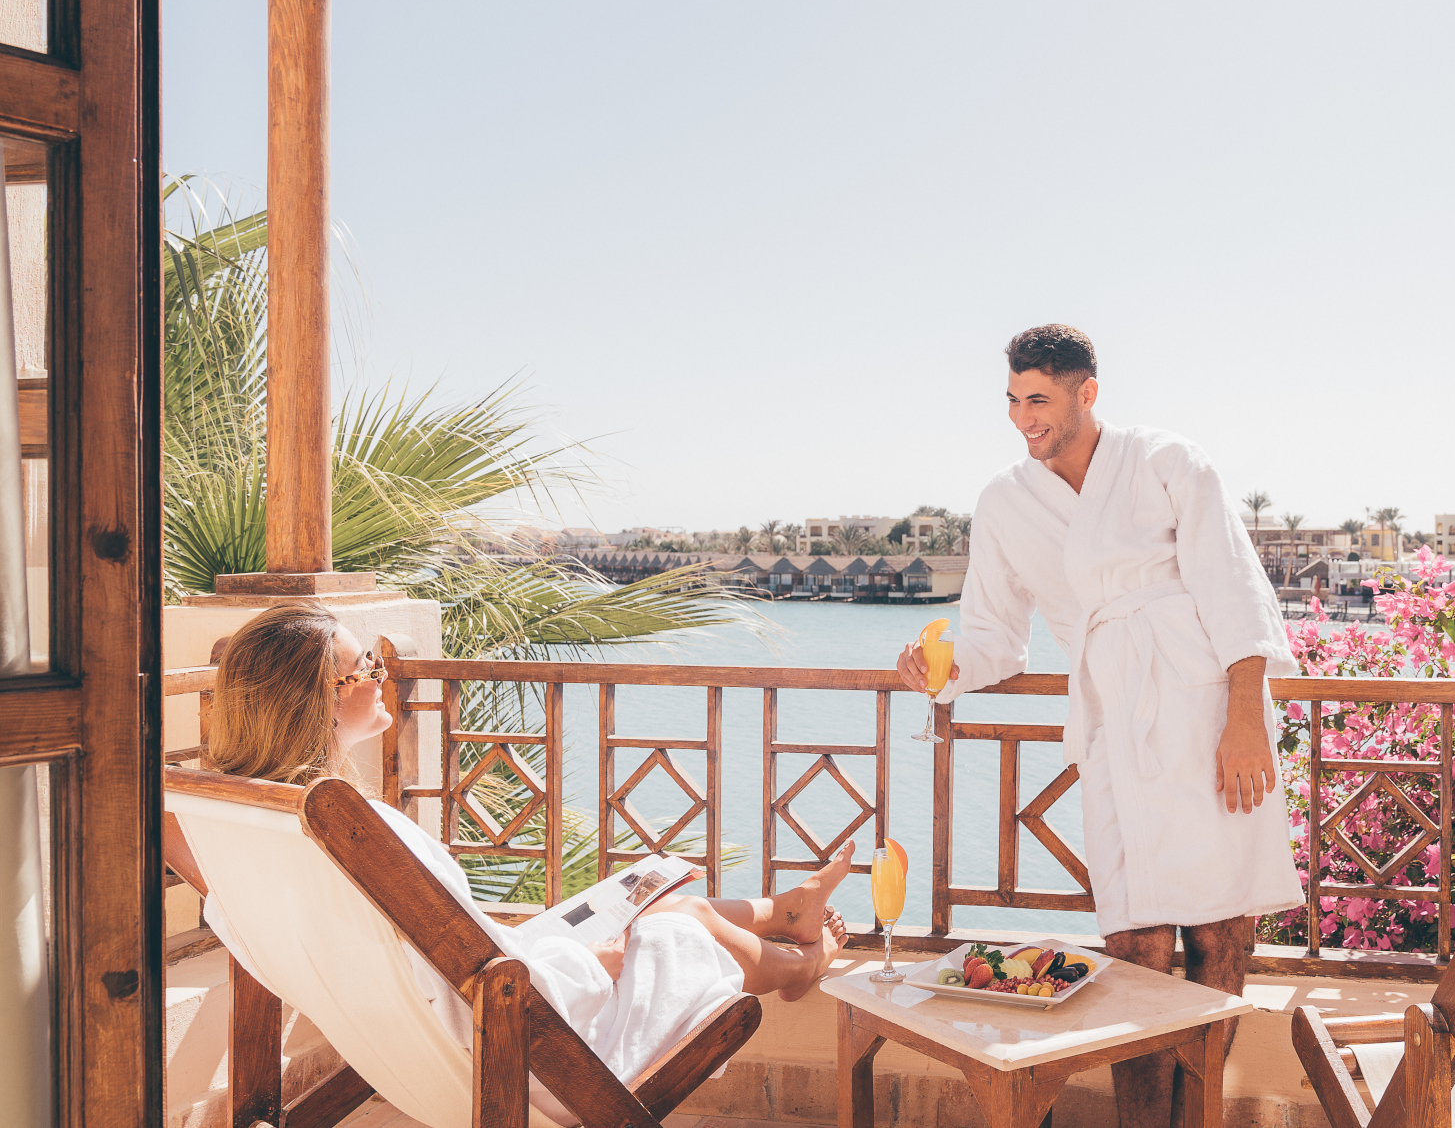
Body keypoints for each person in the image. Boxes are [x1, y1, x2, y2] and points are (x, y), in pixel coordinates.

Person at [203, 603, 849, 1126]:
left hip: (428, 1039)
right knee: (673, 928)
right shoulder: (362, 833)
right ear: (317, 701)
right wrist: (593, 966)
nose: (381, 673)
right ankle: (803, 960)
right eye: (363, 665)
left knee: (668, 906)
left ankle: (786, 922)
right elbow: (488, 994)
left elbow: (445, 969)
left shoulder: (249, 825)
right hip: (534, 1061)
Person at [896, 325, 1303, 1128]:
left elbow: (1231, 587)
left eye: (1038, 400)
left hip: (1205, 710)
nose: (1022, 419)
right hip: (1113, 726)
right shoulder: (1006, 500)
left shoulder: (1165, 461)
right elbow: (992, 635)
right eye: (1012, 402)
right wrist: (935, 666)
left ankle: (1203, 1116)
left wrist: (1245, 718)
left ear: (1087, 392)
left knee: (1220, 933)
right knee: (1135, 939)